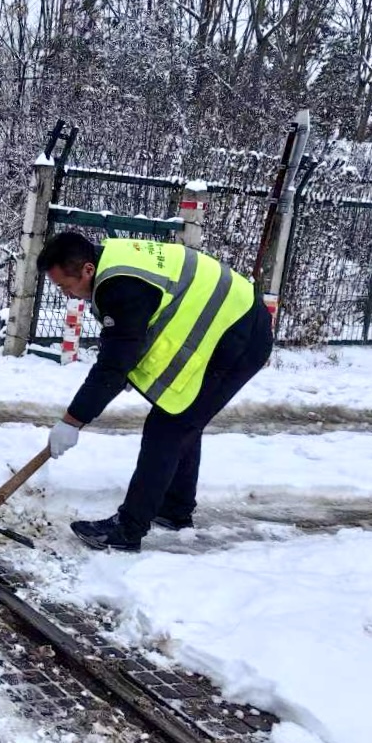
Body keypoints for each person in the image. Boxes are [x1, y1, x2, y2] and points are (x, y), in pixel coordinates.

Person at [39, 231, 273, 552]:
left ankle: (128, 529)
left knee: (168, 426)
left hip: (240, 337)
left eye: (65, 286)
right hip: (231, 326)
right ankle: (174, 509)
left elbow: (113, 365)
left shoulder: (120, 287)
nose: (67, 294)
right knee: (180, 415)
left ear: (87, 269)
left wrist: (72, 420)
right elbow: (130, 341)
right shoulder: (115, 267)